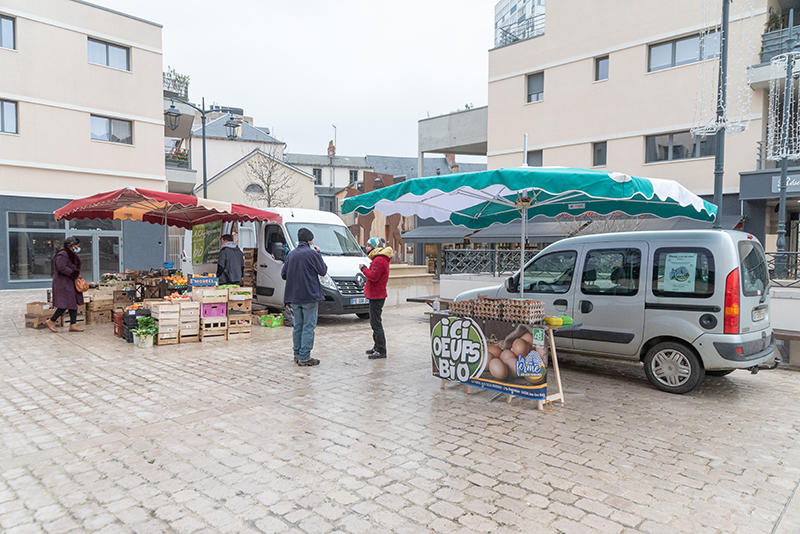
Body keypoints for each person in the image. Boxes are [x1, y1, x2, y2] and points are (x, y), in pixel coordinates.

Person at [281, 228, 327, 366]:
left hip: (294, 296)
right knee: (308, 326)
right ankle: (305, 357)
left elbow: (283, 274)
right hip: (309, 295)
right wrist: (319, 254)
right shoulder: (313, 254)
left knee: (298, 326)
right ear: (310, 240)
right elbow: (323, 271)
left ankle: (297, 354)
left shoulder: (291, 254)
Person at [360, 237, 393, 359]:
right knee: (374, 322)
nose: (366, 247)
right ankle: (376, 347)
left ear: (375, 247)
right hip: (375, 294)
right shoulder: (378, 258)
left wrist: (363, 269)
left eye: (369, 245)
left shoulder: (379, 260)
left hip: (377, 295)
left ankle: (381, 350)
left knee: (376, 324)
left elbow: (373, 276)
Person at [46, 236, 85, 333]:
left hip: (70, 281)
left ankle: (73, 324)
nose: (77, 248)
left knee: (73, 303)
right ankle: (51, 321)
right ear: (71, 245)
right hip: (62, 282)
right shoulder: (63, 254)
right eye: (76, 246)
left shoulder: (71, 254)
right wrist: (73, 273)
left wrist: (76, 275)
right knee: (64, 304)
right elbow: (61, 267)